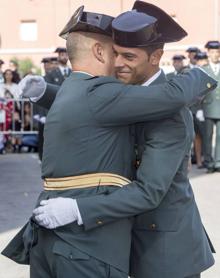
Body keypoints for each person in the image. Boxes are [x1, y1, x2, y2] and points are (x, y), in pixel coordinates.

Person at [2, 5, 216, 278]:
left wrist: (78, 209)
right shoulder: (122, 91)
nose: (117, 63)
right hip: (118, 238)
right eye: (114, 53)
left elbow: (149, 192)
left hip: (162, 250)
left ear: (156, 57)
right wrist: (45, 92)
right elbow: (92, 105)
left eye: (128, 56)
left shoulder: (169, 113)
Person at [203, 40, 220, 172]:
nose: (215, 54)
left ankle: (218, 162)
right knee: (207, 136)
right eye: (212, 52)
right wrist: (198, 109)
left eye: (217, 52)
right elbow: (199, 91)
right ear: (208, 53)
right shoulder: (204, 70)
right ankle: (208, 162)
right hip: (207, 108)